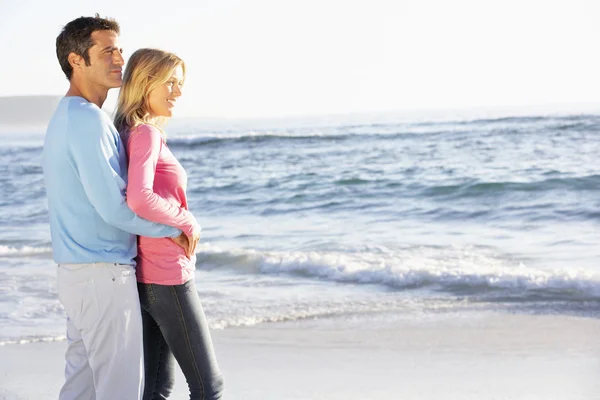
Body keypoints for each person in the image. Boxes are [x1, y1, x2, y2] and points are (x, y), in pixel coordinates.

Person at [42, 15, 194, 400]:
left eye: (120, 50)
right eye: (107, 50)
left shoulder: (68, 117)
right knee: (121, 390)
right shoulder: (86, 121)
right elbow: (115, 209)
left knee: (83, 388)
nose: (118, 59)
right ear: (76, 61)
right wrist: (175, 230)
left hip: (79, 273)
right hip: (102, 276)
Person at [114, 48, 224, 400]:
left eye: (181, 83)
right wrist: (186, 222)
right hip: (167, 275)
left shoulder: (126, 131)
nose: (178, 91)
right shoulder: (145, 133)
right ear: (147, 82)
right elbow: (139, 198)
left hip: (146, 274)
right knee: (209, 388)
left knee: (158, 387)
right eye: (171, 83)